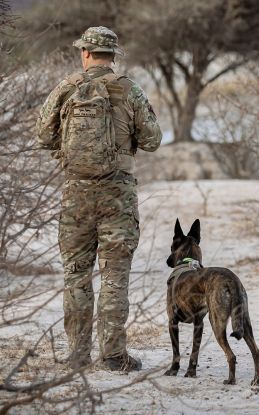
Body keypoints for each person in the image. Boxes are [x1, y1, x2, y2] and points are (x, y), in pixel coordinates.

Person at [36, 26, 162, 371]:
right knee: (114, 276)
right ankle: (113, 356)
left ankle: (77, 355)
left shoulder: (67, 88)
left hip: (75, 193)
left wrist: (68, 153)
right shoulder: (128, 89)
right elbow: (152, 140)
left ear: (86, 53)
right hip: (117, 195)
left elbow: (43, 135)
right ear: (113, 56)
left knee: (76, 273)